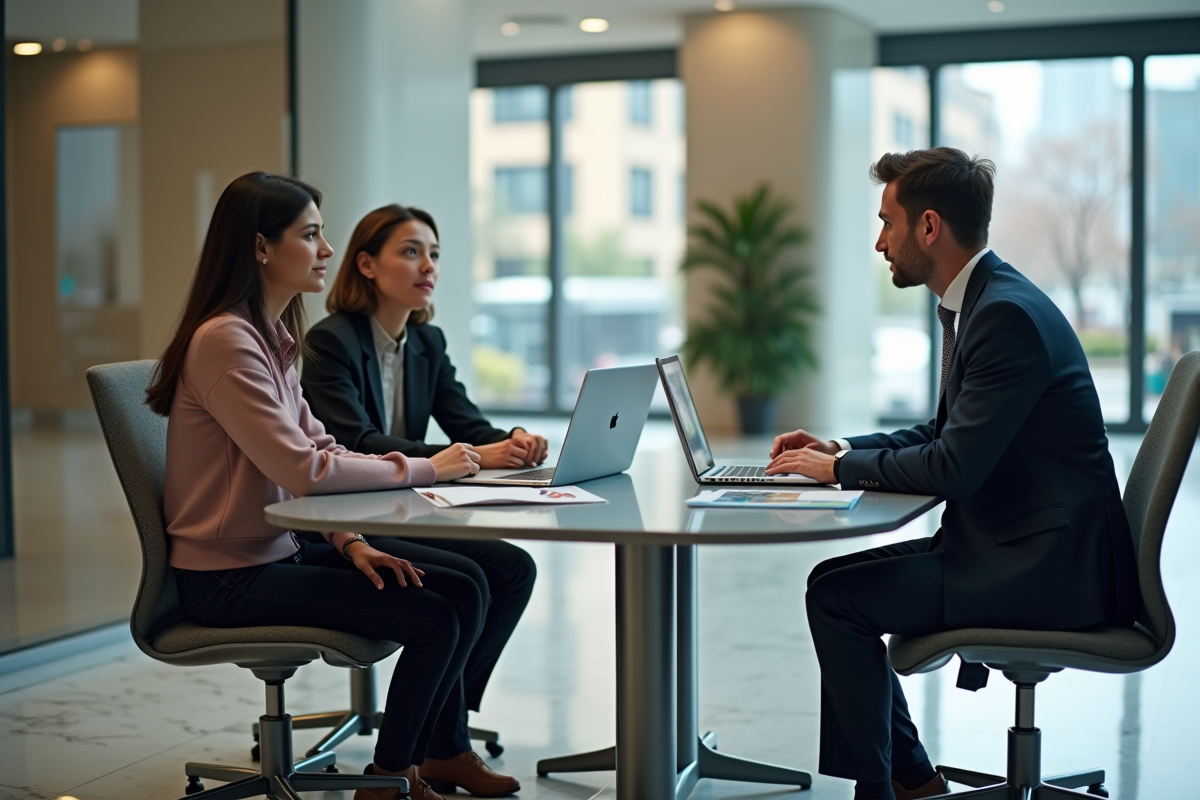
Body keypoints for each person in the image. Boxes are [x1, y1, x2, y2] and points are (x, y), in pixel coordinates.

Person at [764, 148, 1139, 800]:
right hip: (1026, 546)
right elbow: (945, 436)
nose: (879, 242)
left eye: (888, 222)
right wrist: (838, 448)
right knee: (832, 583)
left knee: (836, 599)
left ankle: (888, 788)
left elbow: (954, 468)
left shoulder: (1005, 316)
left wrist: (839, 471)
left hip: (1045, 571)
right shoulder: (989, 301)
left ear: (929, 227)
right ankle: (914, 780)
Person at [148, 171, 496, 800]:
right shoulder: (226, 342)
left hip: (277, 550)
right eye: (311, 235)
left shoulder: (271, 339)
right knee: (436, 614)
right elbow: (303, 471)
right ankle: (391, 781)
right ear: (261, 247)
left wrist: (349, 539)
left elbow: (319, 449)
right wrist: (430, 466)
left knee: (468, 585)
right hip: (227, 577)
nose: (327, 251)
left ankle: (424, 762)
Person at [301, 204, 541, 796]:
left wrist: (509, 441)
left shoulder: (427, 341)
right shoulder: (330, 341)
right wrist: (468, 454)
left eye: (433, 253)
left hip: (401, 508)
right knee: (473, 581)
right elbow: (355, 441)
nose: (427, 264)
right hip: (344, 518)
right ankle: (444, 743)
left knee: (512, 568)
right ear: (367, 264)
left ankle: (442, 734)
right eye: (410, 251)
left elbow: (465, 420)